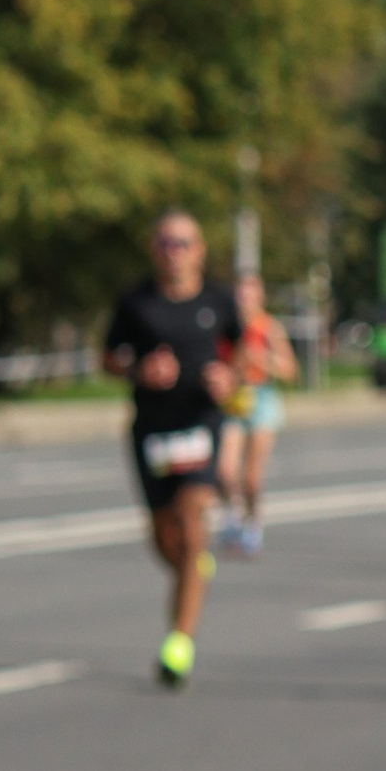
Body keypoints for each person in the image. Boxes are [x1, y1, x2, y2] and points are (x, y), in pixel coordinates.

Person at [105, 210, 240, 688]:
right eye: (166, 243)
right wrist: (138, 371)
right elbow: (109, 357)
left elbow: (244, 352)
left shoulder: (219, 300)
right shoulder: (136, 302)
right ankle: (192, 568)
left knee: (190, 516)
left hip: (200, 423)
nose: (174, 252)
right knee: (165, 538)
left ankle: (179, 642)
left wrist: (231, 378)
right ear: (154, 249)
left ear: (200, 250)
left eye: (184, 243)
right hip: (152, 430)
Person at [216, 271, 298, 554]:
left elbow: (290, 370)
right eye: (240, 294)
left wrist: (262, 359)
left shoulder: (268, 327)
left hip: (261, 399)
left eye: (251, 294)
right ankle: (233, 516)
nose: (245, 300)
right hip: (234, 398)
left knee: (251, 477)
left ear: (260, 297)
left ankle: (253, 523)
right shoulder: (226, 324)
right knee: (225, 470)